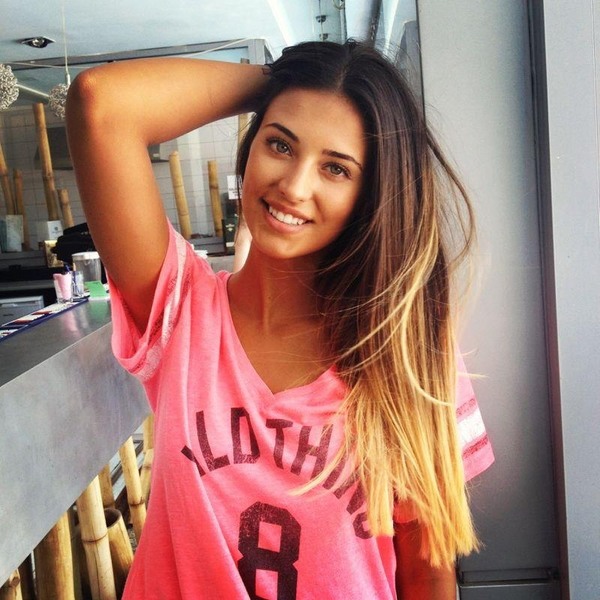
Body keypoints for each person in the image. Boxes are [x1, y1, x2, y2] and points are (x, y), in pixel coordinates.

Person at [66, 40, 493, 599]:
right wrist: (285, 76)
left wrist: (294, 89)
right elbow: (100, 104)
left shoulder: (407, 353)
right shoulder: (179, 311)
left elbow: (428, 571)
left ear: (371, 196)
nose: (293, 186)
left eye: (335, 168)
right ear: (250, 149)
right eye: (280, 144)